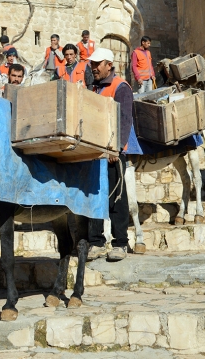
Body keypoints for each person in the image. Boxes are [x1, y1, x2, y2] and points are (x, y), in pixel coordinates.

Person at [87, 48, 133, 262]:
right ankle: (96, 242)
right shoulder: (93, 88)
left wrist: (116, 147)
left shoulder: (120, 87)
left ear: (109, 65)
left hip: (113, 151)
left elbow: (124, 120)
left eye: (98, 64)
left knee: (117, 197)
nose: (93, 67)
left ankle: (120, 243)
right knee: (95, 197)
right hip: (95, 152)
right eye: (92, 64)